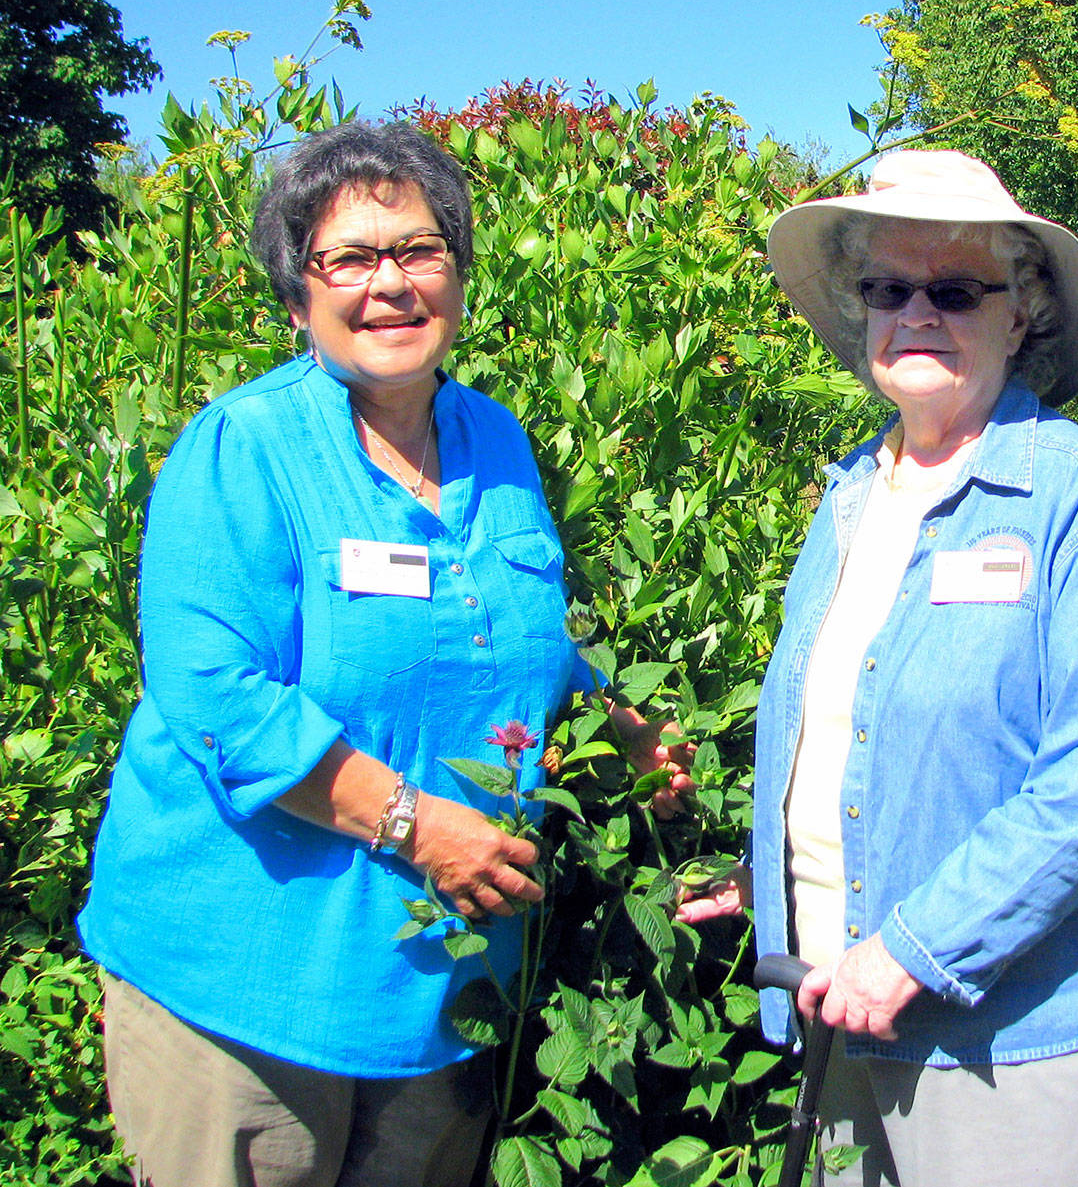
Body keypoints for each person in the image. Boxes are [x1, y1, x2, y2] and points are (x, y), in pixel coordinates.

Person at [78, 120, 692, 1187]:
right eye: (349, 258)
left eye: (417, 250)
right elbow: (214, 695)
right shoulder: (245, 447)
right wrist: (411, 823)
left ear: (456, 274)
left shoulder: (493, 438)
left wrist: (618, 724)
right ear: (296, 294)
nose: (389, 284)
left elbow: (514, 628)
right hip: (248, 979)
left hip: (440, 981)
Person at [679, 150, 1078, 1187]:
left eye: (954, 289)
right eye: (886, 288)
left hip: (1029, 1036)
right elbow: (862, 740)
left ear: (1022, 314)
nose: (915, 310)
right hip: (843, 1007)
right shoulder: (847, 501)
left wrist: (908, 947)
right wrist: (779, 872)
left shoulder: (1077, 496)